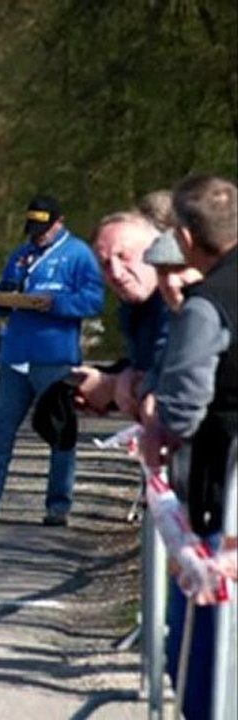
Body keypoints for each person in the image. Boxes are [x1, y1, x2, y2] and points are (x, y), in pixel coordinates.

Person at [141, 174, 237, 720]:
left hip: (220, 495)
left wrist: (157, 429)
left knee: (205, 650)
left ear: (183, 237)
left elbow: (181, 409)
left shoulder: (208, 306)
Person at [0, 194, 104, 525]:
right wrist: (2, 297)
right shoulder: (21, 254)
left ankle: (58, 506)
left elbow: (93, 301)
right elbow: (4, 295)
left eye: (44, 230)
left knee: (59, 431)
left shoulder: (78, 255)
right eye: (33, 229)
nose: (38, 236)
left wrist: (55, 304)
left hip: (56, 357)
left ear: (59, 223)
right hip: (15, 356)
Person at [73, 211, 170, 418]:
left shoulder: (182, 302)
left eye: (124, 257)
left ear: (156, 252)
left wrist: (113, 385)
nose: (116, 273)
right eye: (105, 264)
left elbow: (179, 380)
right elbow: (145, 364)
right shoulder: (133, 307)